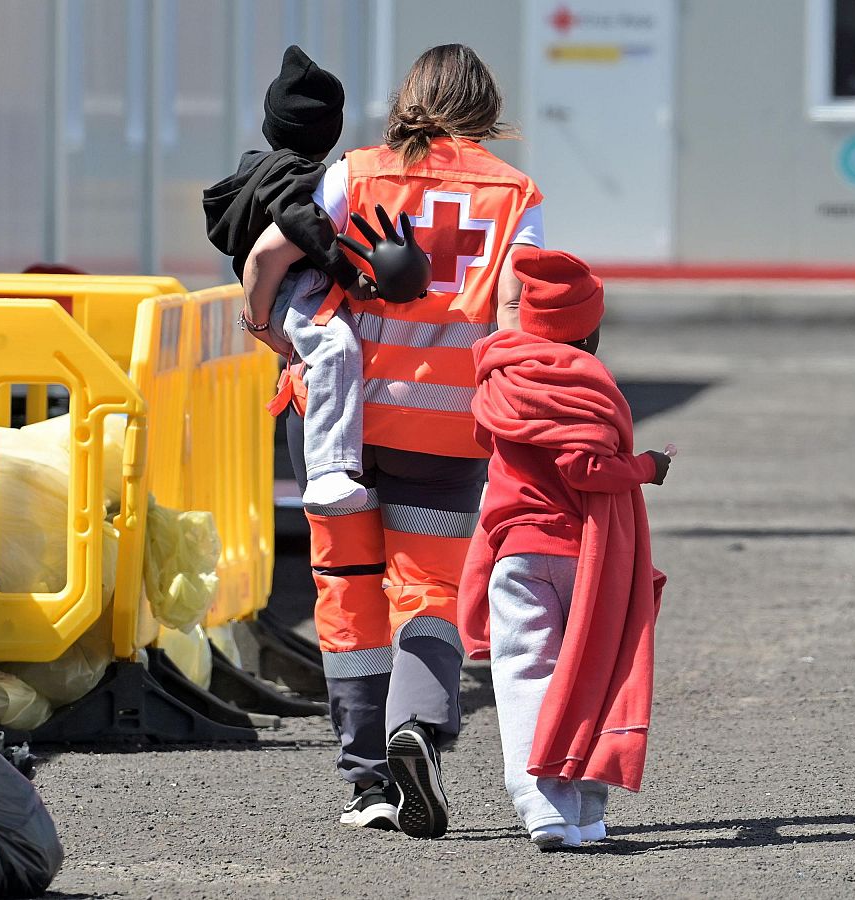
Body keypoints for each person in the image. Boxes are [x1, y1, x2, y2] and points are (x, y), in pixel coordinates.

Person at [243, 43, 545, 838]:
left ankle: (367, 782)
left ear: (409, 97)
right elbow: (519, 306)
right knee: (429, 593)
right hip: (448, 432)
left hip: (339, 423)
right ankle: (419, 727)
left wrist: (265, 329)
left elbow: (270, 254)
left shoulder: (358, 171)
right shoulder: (515, 195)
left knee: (346, 590)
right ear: (487, 109)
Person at [456, 249, 670, 851]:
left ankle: (541, 806)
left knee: (525, 672)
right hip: (586, 555)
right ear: (592, 329)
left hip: (515, 553)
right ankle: (588, 814)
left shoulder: (499, 373)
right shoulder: (585, 384)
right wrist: (649, 466)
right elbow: (586, 467)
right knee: (597, 671)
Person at [204, 45, 372, 510]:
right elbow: (299, 227)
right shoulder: (295, 177)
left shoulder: (260, 169)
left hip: (282, 293)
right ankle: (328, 470)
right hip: (291, 289)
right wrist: (347, 272)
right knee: (335, 347)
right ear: (330, 132)